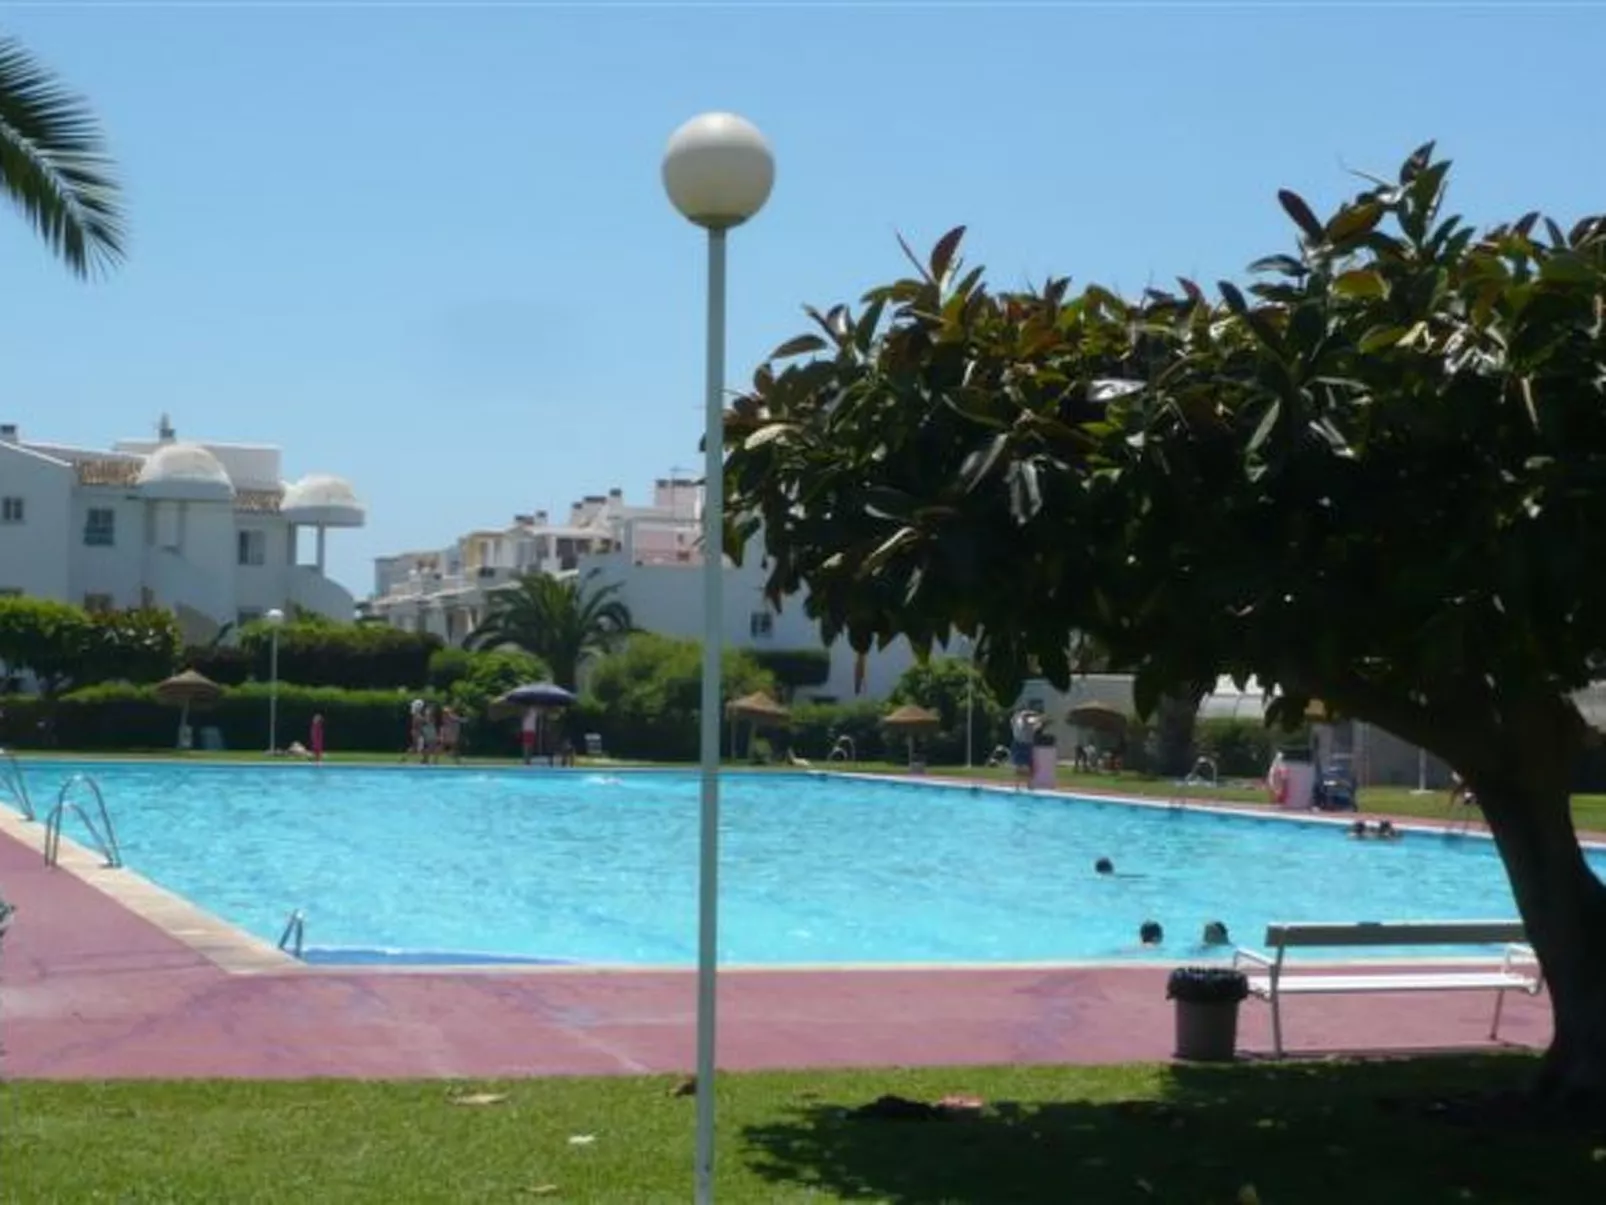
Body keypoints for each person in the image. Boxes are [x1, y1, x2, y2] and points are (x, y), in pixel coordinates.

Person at [1009, 708, 1042, 790]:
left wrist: (1037, 717)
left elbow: (1036, 725)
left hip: (1026, 744)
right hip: (1021, 744)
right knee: (1021, 766)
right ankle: (1020, 785)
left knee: (1027, 766)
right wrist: (1034, 713)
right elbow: (1023, 716)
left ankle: (1027, 784)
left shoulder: (1024, 722)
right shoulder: (1018, 720)